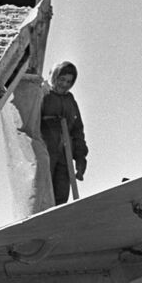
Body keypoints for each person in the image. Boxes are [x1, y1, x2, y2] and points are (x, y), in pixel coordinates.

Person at [39, 61, 88, 206]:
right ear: (54, 77)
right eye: (62, 79)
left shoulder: (70, 101)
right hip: (45, 152)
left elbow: (78, 130)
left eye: (69, 81)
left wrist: (80, 157)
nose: (65, 84)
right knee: (44, 194)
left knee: (61, 194)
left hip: (64, 154)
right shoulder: (43, 94)